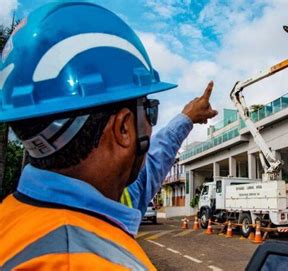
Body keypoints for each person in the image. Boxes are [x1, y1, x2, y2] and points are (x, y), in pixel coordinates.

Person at [0, 2, 217, 270]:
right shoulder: (91, 262)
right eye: (150, 109)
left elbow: (147, 171)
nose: (150, 123)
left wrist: (186, 119)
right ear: (124, 128)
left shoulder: (13, 219)